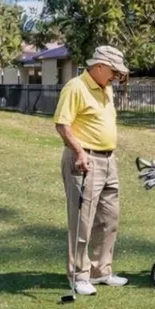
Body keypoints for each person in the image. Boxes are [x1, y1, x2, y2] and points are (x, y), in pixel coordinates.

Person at [54, 45, 130, 296]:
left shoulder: (106, 88)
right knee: (82, 221)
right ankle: (79, 274)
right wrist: (79, 152)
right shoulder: (75, 87)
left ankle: (100, 271)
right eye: (113, 71)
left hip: (108, 160)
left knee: (109, 218)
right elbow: (62, 124)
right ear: (98, 66)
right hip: (84, 159)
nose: (116, 77)